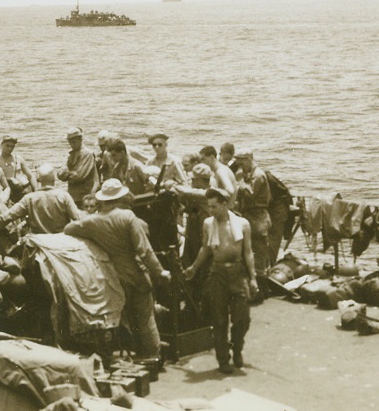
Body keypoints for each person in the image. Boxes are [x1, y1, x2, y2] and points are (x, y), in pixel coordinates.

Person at [64, 178, 170, 358]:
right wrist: (160, 272)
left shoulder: (92, 222)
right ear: (120, 198)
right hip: (136, 273)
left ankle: (136, 355)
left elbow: (68, 229)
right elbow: (144, 250)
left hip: (114, 277)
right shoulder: (127, 217)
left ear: (102, 200)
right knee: (145, 319)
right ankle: (152, 358)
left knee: (127, 318)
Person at [186, 187, 257, 374]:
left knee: (243, 318)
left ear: (225, 204)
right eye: (209, 207)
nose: (211, 211)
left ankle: (237, 348)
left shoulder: (242, 224)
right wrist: (194, 268)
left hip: (238, 272)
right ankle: (223, 359)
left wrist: (253, 277)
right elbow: (205, 249)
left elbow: (248, 252)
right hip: (217, 274)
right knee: (219, 320)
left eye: (215, 206)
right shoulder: (208, 224)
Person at [0, 163, 81, 237]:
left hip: (38, 243)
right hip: (60, 241)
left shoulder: (29, 198)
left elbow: (6, 217)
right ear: (54, 179)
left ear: (39, 180)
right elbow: (78, 218)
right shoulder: (63, 196)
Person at [233, 148, 273, 275]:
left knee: (259, 252)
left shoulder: (258, 175)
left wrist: (240, 181)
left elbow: (250, 194)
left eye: (241, 164)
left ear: (248, 160)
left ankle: (262, 281)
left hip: (258, 217)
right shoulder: (250, 174)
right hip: (252, 216)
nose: (240, 167)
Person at [57, 127, 100, 205]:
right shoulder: (71, 155)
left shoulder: (88, 154)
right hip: (73, 196)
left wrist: (66, 174)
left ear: (80, 139)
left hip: (86, 196)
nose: (71, 145)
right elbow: (60, 175)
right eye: (70, 142)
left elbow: (80, 175)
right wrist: (67, 174)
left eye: (73, 142)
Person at [0, 135, 35, 204]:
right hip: (10, 192)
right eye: (7, 146)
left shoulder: (18, 158)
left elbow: (30, 176)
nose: (9, 149)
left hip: (25, 189)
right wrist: (10, 179)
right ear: (2, 144)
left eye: (12, 147)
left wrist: (37, 192)